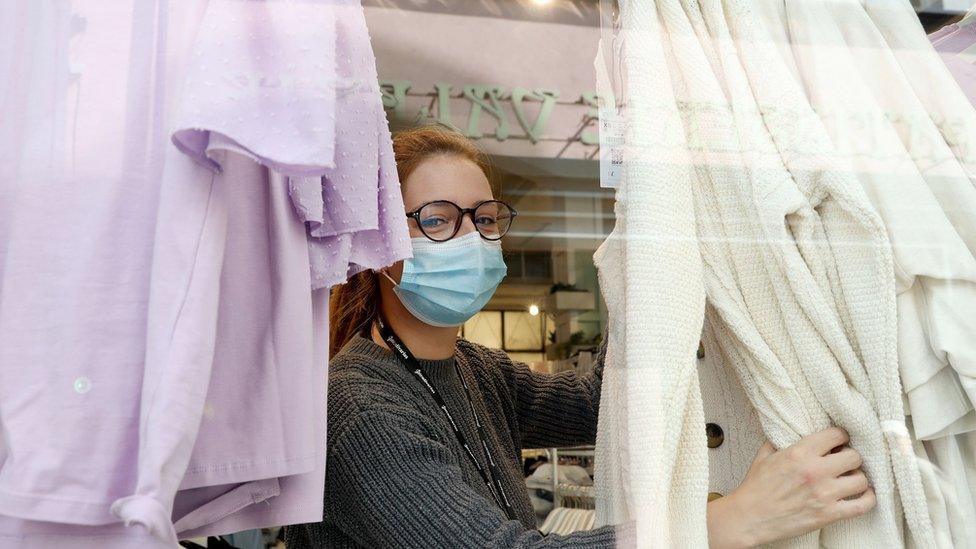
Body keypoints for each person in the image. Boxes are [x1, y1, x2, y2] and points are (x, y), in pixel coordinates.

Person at [284, 125, 877, 548]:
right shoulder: (358, 403)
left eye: (484, 219)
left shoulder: (476, 370)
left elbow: (601, 401)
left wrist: (649, 269)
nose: (470, 239)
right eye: (437, 220)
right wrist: (723, 526)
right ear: (379, 245)